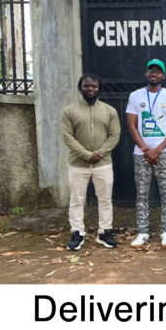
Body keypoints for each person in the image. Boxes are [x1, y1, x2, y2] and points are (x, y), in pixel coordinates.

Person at [126, 59, 166, 248]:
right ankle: (143, 232)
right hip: (141, 153)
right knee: (142, 194)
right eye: (151, 70)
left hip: (164, 153)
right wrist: (145, 149)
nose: (154, 74)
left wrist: (157, 150)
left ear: (163, 76)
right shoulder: (135, 96)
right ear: (146, 73)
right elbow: (131, 125)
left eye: (158, 71)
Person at [61, 73, 121, 251]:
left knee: (105, 200)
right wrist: (87, 155)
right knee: (77, 200)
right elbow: (67, 136)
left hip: (103, 164)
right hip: (77, 165)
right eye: (87, 86)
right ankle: (77, 233)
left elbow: (114, 135)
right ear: (81, 88)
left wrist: (100, 153)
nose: (90, 89)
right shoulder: (70, 111)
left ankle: (104, 232)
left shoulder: (110, 111)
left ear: (99, 89)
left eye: (94, 86)